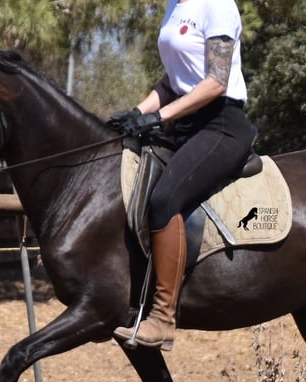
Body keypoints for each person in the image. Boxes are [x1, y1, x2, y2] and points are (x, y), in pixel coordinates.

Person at [109, 0, 255, 351]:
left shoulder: (216, 5)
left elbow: (216, 82)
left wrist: (159, 118)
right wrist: (137, 112)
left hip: (221, 124)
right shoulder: (174, 6)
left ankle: (162, 318)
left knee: (164, 198)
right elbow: (175, 80)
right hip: (185, 124)